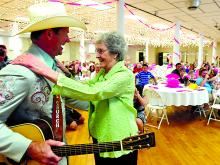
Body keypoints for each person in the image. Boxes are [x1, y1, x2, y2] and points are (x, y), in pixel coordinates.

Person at [11, 32, 139, 165]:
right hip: (101, 134)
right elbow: (83, 86)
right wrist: (65, 73)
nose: (97, 55)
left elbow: (94, 92)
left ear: (115, 54)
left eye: (101, 51)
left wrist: (47, 71)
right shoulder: (102, 73)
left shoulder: (125, 75)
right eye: (97, 51)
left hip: (119, 136)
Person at [0, 2, 86, 165]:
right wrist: (28, 147)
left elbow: (78, 100)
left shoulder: (54, 68)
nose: (68, 39)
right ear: (49, 34)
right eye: (65, 33)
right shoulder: (20, 72)